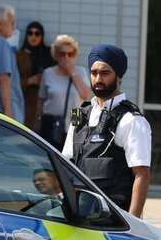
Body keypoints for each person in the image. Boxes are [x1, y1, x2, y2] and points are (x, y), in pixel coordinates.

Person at [62, 44, 152, 218]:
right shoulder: (80, 114)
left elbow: (142, 175)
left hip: (113, 222)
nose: (97, 79)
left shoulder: (132, 120)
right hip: (78, 216)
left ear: (118, 76)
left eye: (105, 73)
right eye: (94, 73)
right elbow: (66, 164)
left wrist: (132, 225)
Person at [36, 34, 91, 150]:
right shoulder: (48, 73)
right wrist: (38, 122)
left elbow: (86, 96)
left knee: (71, 157)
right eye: (62, 54)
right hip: (51, 121)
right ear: (55, 55)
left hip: (75, 118)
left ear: (74, 56)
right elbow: (41, 99)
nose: (66, 57)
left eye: (70, 54)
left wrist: (72, 73)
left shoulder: (80, 72)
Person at [17, 21, 56, 128]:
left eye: (37, 33)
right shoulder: (19, 55)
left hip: (46, 102)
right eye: (30, 33)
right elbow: (11, 82)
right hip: (24, 103)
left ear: (42, 35)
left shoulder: (49, 54)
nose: (33, 36)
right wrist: (30, 81)